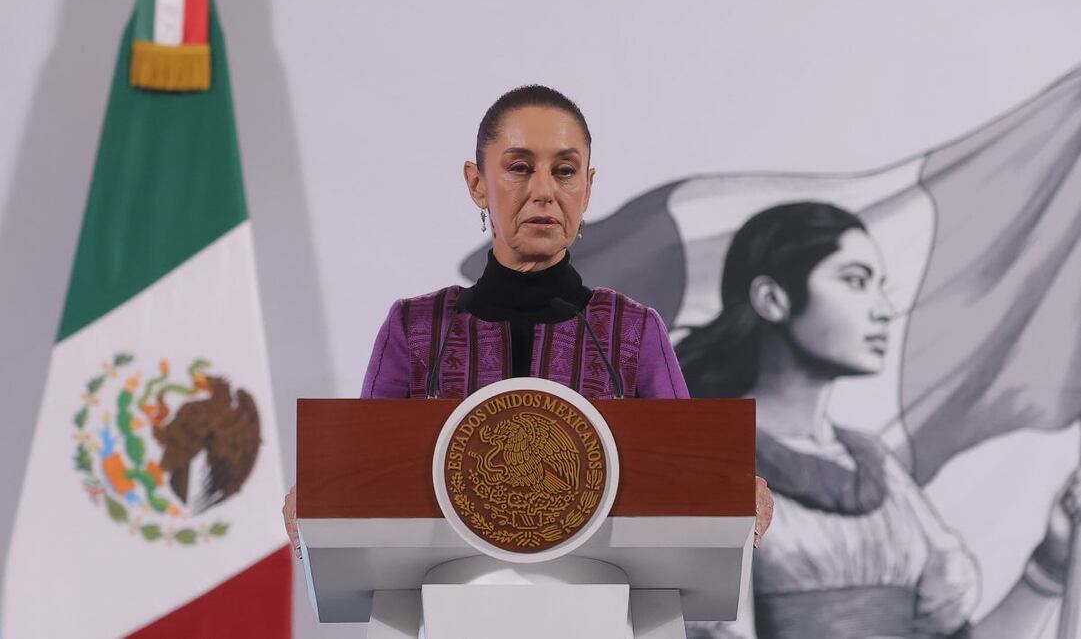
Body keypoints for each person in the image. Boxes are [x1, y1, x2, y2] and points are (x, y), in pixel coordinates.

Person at [283, 84, 775, 559]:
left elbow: (689, 471)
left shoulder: (631, 331)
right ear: (477, 183)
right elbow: (367, 477)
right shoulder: (416, 329)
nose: (544, 191)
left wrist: (727, 487)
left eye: (565, 171)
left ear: (587, 188)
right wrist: (325, 494)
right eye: (519, 167)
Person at [677, 202, 1081, 639]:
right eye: (855, 281)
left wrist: (1049, 565)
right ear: (773, 299)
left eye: (879, 286)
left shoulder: (877, 468)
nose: (883, 309)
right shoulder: (702, 465)